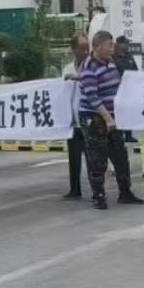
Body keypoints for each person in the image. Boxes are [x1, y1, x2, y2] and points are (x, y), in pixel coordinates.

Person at [77, 31, 144, 210]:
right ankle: (98, 196)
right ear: (97, 46)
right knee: (97, 159)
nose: (112, 48)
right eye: (109, 45)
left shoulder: (111, 62)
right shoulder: (89, 66)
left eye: (112, 45)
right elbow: (92, 97)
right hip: (94, 118)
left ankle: (125, 192)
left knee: (120, 156)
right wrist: (107, 118)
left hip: (112, 118)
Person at [60, 34, 90, 200]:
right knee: (74, 158)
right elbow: (63, 93)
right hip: (72, 121)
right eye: (82, 48)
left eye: (87, 47)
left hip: (90, 119)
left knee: (93, 158)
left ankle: (96, 190)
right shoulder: (67, 69)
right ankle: (75, 189)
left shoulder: (93, 66)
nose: (86, 51)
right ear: (74, 49)